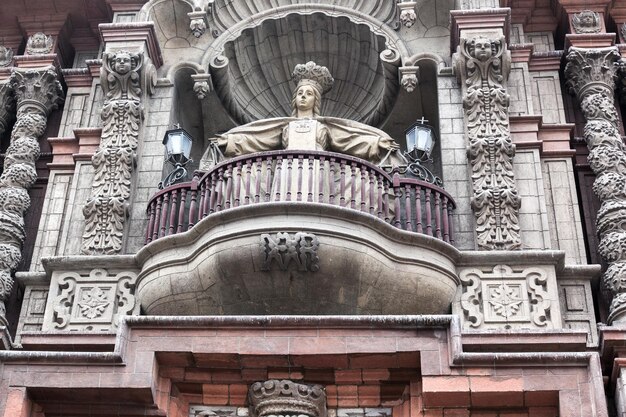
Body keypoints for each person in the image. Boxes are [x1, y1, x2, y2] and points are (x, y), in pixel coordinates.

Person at [203, 61, 404, 167]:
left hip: (318, 170)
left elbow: (350, 140)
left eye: (308, 94)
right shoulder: (285, 125)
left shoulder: (324, 126)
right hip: (286, 170)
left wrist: (377, 144)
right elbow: (257, 138)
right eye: (300, 93)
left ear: (316, 100)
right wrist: (229, 142)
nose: (303, 97)